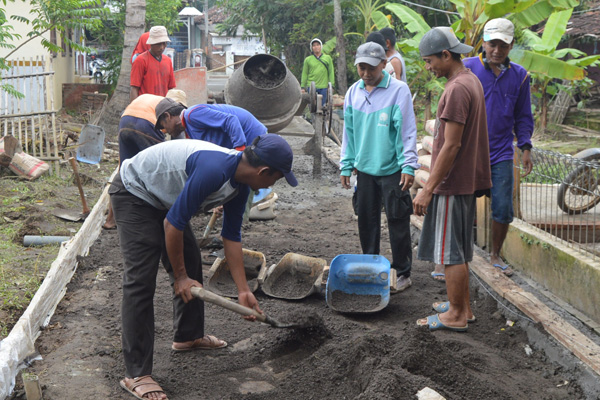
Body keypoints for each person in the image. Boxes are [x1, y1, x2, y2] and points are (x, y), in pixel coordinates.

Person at [111, 134, 297, 400]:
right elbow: (172, 225)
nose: (272, 184)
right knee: (140, 279)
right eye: (276, 179)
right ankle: (136, 373)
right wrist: (180, 277)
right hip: (134, 192)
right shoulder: (215, 169)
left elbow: (230, 237)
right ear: (263, 171)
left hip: (164, 198)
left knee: (190, 256)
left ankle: (188, 336)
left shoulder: (240, 184)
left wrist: (243, 290)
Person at [414, 27, 491, 332]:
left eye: (430, 60)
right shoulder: (470, 80)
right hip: (463, 182)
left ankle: (456, 315)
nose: (428, 66)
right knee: (457, 248)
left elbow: (451, 144)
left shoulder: (456, 89)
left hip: (451, 183)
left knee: (449, 253)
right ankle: (464, 308)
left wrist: (428, 190)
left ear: (446, 55)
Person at [340, 41, 419, 293]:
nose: (365, 73)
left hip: (392, 170)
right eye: (361, 67)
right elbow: (348, 133)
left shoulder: (399, 91)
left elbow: (407, 131)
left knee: (398, 219)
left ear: (384, 64)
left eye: (371, 68)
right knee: (366, 219)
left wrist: (409, 165)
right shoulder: (353, 92)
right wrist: (346, 165)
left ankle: (402, 271)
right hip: (364, 170)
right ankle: (371, 264)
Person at [462, 18, 534, 277]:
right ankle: (458, 255)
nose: (496, 50)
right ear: (483, 42)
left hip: (502, 151)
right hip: (470, 151)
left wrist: (525, 146)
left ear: (511, 45)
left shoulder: (520, 76)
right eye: (492, 44)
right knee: (463, 204)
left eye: (503, 45)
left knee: (503, 207)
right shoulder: (467, 69)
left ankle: (495, 254)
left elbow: (523, 115)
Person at [102, 90, 187, 230]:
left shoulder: (156, 100)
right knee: (161, 170)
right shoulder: (169, 113)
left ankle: (110, 220)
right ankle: (164, 216)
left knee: (124, 171)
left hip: (125, 121)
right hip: (145, 123)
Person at [155, 101, 267, 150]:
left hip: (253, 135)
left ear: (168, 116)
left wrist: (239, 151)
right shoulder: (189, 131)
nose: (165, 130)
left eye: (163, 125)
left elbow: (231, 120)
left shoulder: (192, 114)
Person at [130, 25, 176, 103]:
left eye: (164, 44)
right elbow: (134, 88)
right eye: (158, 44)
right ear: (151, 43)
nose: (162, 47)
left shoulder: (168, 61)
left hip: (162, 107)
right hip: (145, 106)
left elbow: (171, 88)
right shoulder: (140, 60)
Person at [301, 38, 335, 106]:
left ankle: (322, 115)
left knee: (322, 107)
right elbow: (305, 73)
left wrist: (332, 86)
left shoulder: (327, 58)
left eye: (318, 45)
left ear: (321, 46)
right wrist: (302, 87)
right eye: (314, 45)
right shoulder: (308, 60)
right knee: (313, 106)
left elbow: (331, 72)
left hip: (324, 86)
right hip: (311, 86)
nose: (316, 47)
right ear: (312, 48)